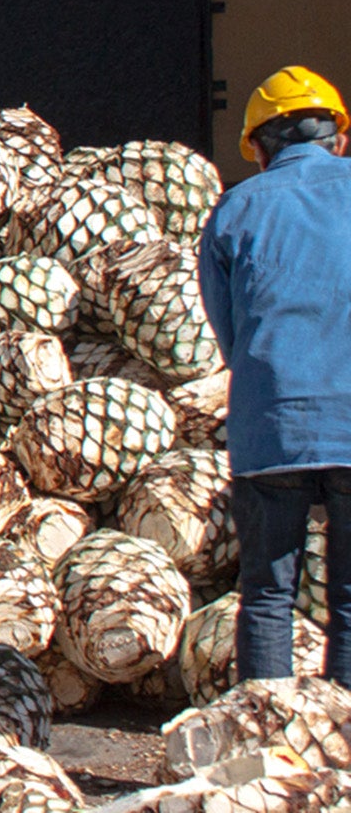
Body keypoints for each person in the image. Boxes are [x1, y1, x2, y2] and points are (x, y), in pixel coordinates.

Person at [199, 64, 351, 687]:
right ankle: (342, 762)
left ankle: (267, 744)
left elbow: (228, 329)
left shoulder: (237, 207)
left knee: (265, 594)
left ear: (259, 150)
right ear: (337, 138)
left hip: (271, 426)